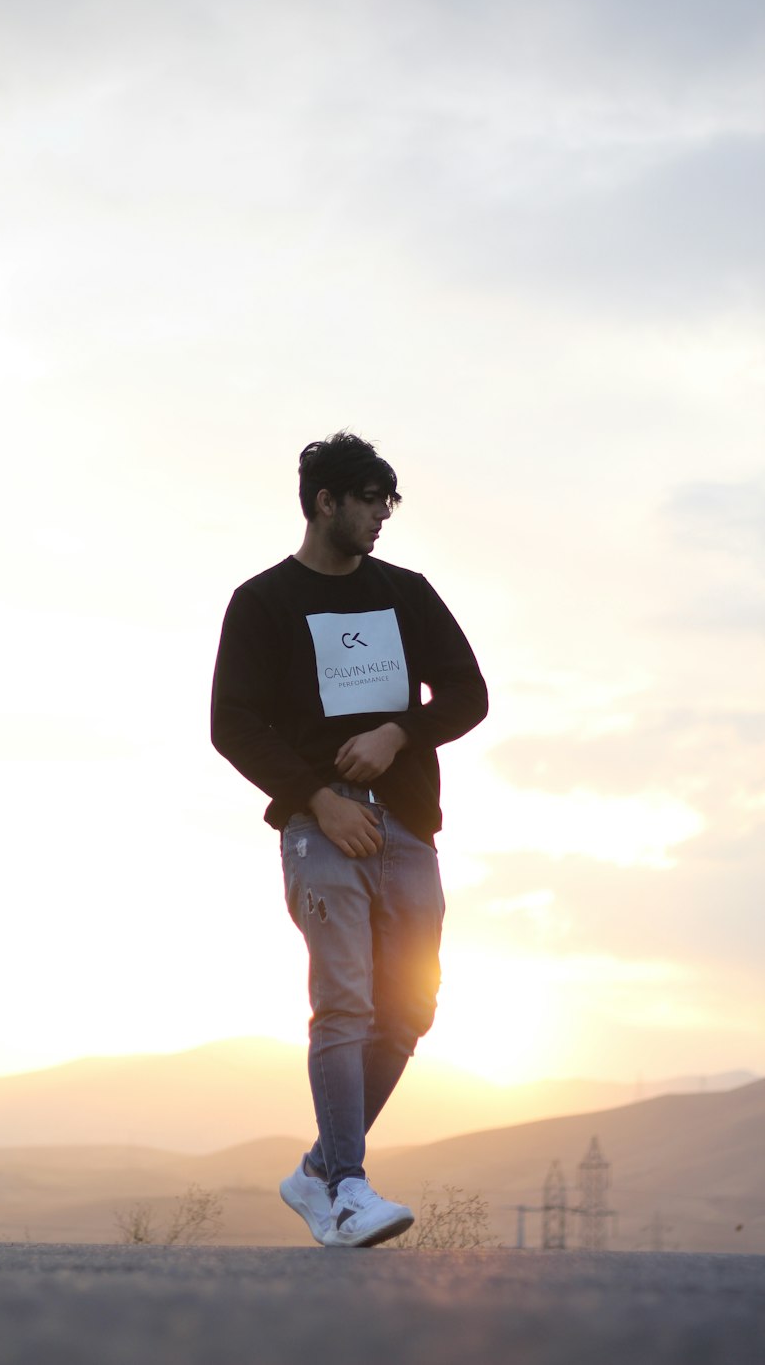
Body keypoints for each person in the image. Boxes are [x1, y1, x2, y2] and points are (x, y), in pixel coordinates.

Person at [210, 431, 488, 1248]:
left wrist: (399, 733)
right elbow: (231, 724)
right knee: (346, 1000)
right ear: (325, 502)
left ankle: (319, 1169)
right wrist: (317, 798)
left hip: (405, 823)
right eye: (367, 501)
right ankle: (348, 1191)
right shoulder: (262, 603)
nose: (379, 518)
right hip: (318, 825)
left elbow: (469, 693)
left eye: (386, 503)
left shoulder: (407, 594)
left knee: (410, 1008)